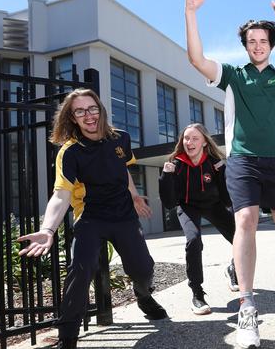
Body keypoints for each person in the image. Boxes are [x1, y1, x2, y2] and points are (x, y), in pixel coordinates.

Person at [184, 0, 275, 348]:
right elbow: (197, 59)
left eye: (263, 41)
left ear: (271, 44)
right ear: (245, 45)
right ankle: (248, 305)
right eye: (252, 41)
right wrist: (190, 13)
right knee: (245, 221)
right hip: (241, 159)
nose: (257, 46)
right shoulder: (233, 75)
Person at [16, 88, 168, 349]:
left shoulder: (121, 138)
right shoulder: (70, 152)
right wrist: (47, 229)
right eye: (80, 111)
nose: (88, 115)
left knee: (143, 269)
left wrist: (134, 196)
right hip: (90, 219)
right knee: (80, 269)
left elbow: (123, 170)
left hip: (124, 217)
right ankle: (68, 337)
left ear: (101, 109)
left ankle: (144, 297)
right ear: (72, 117)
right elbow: (61, 194)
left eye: (92, 108)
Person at [159, 123, 239, 315]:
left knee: (241, 237)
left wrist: (222, 175)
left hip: (213, 205)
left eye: (195, 138)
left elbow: (227, 200)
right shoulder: (176, 165)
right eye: (186, 138)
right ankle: (197, 293)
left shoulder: (214, 163)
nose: (190, 142)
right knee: (193, 241)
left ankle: (234, 270)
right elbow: (169, 203)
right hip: (188, 207)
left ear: (204, 142)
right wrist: (165, 177)